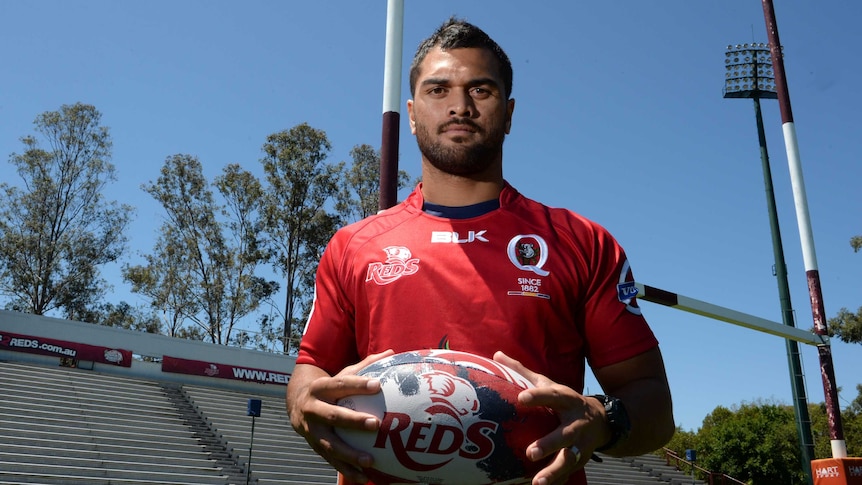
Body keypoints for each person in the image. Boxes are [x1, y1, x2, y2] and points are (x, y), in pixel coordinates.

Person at [287, 17, 674, 485]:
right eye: (438, 90)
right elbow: (310, 372)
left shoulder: (581, 242)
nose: (460, 106)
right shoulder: (353, 246)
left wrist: (607, 420)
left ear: (509, 113)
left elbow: (654, 405)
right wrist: (302, 404)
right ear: (410, 114)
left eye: (481, 90)